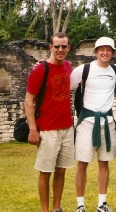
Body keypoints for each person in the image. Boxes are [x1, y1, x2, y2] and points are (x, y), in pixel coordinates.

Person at [24, 32, 74, 212]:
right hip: (47, 129)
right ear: (50, 47)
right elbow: (29, 101)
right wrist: (32, 129)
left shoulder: (68, 67)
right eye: (57, 46)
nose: (60, 50)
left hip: (67, 127)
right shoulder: (40, 69)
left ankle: (56, 208)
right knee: (45, 172)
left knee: (61, 171)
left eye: (64, 46)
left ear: (69, 48)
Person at [70, 37, 116, 212]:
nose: (105, 53)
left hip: (107, 121)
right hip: (87, 123)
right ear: (95, 52)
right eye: (101, 49)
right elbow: (64, 84)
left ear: (112, 53)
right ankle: (80, 205)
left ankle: (102, 204)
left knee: (104, 163)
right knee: (82, 163)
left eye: (108, 50)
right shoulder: (84, 70)